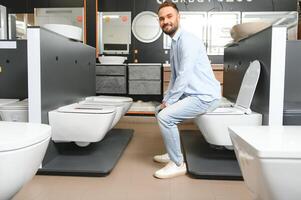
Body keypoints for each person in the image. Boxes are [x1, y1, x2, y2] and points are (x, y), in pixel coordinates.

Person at [153, 1, 221, 179]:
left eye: (169, 16)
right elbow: (174, 77)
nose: (165, 21)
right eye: (161, 19)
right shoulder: (175, 43)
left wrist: (170, 102)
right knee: (159, 110)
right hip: (193, 95)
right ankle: (172, 152)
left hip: (205, 97)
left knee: (165, 117)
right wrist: (165, 100)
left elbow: (184, 76)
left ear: (178, 17)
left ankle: (177, 164)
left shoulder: (188, 41)